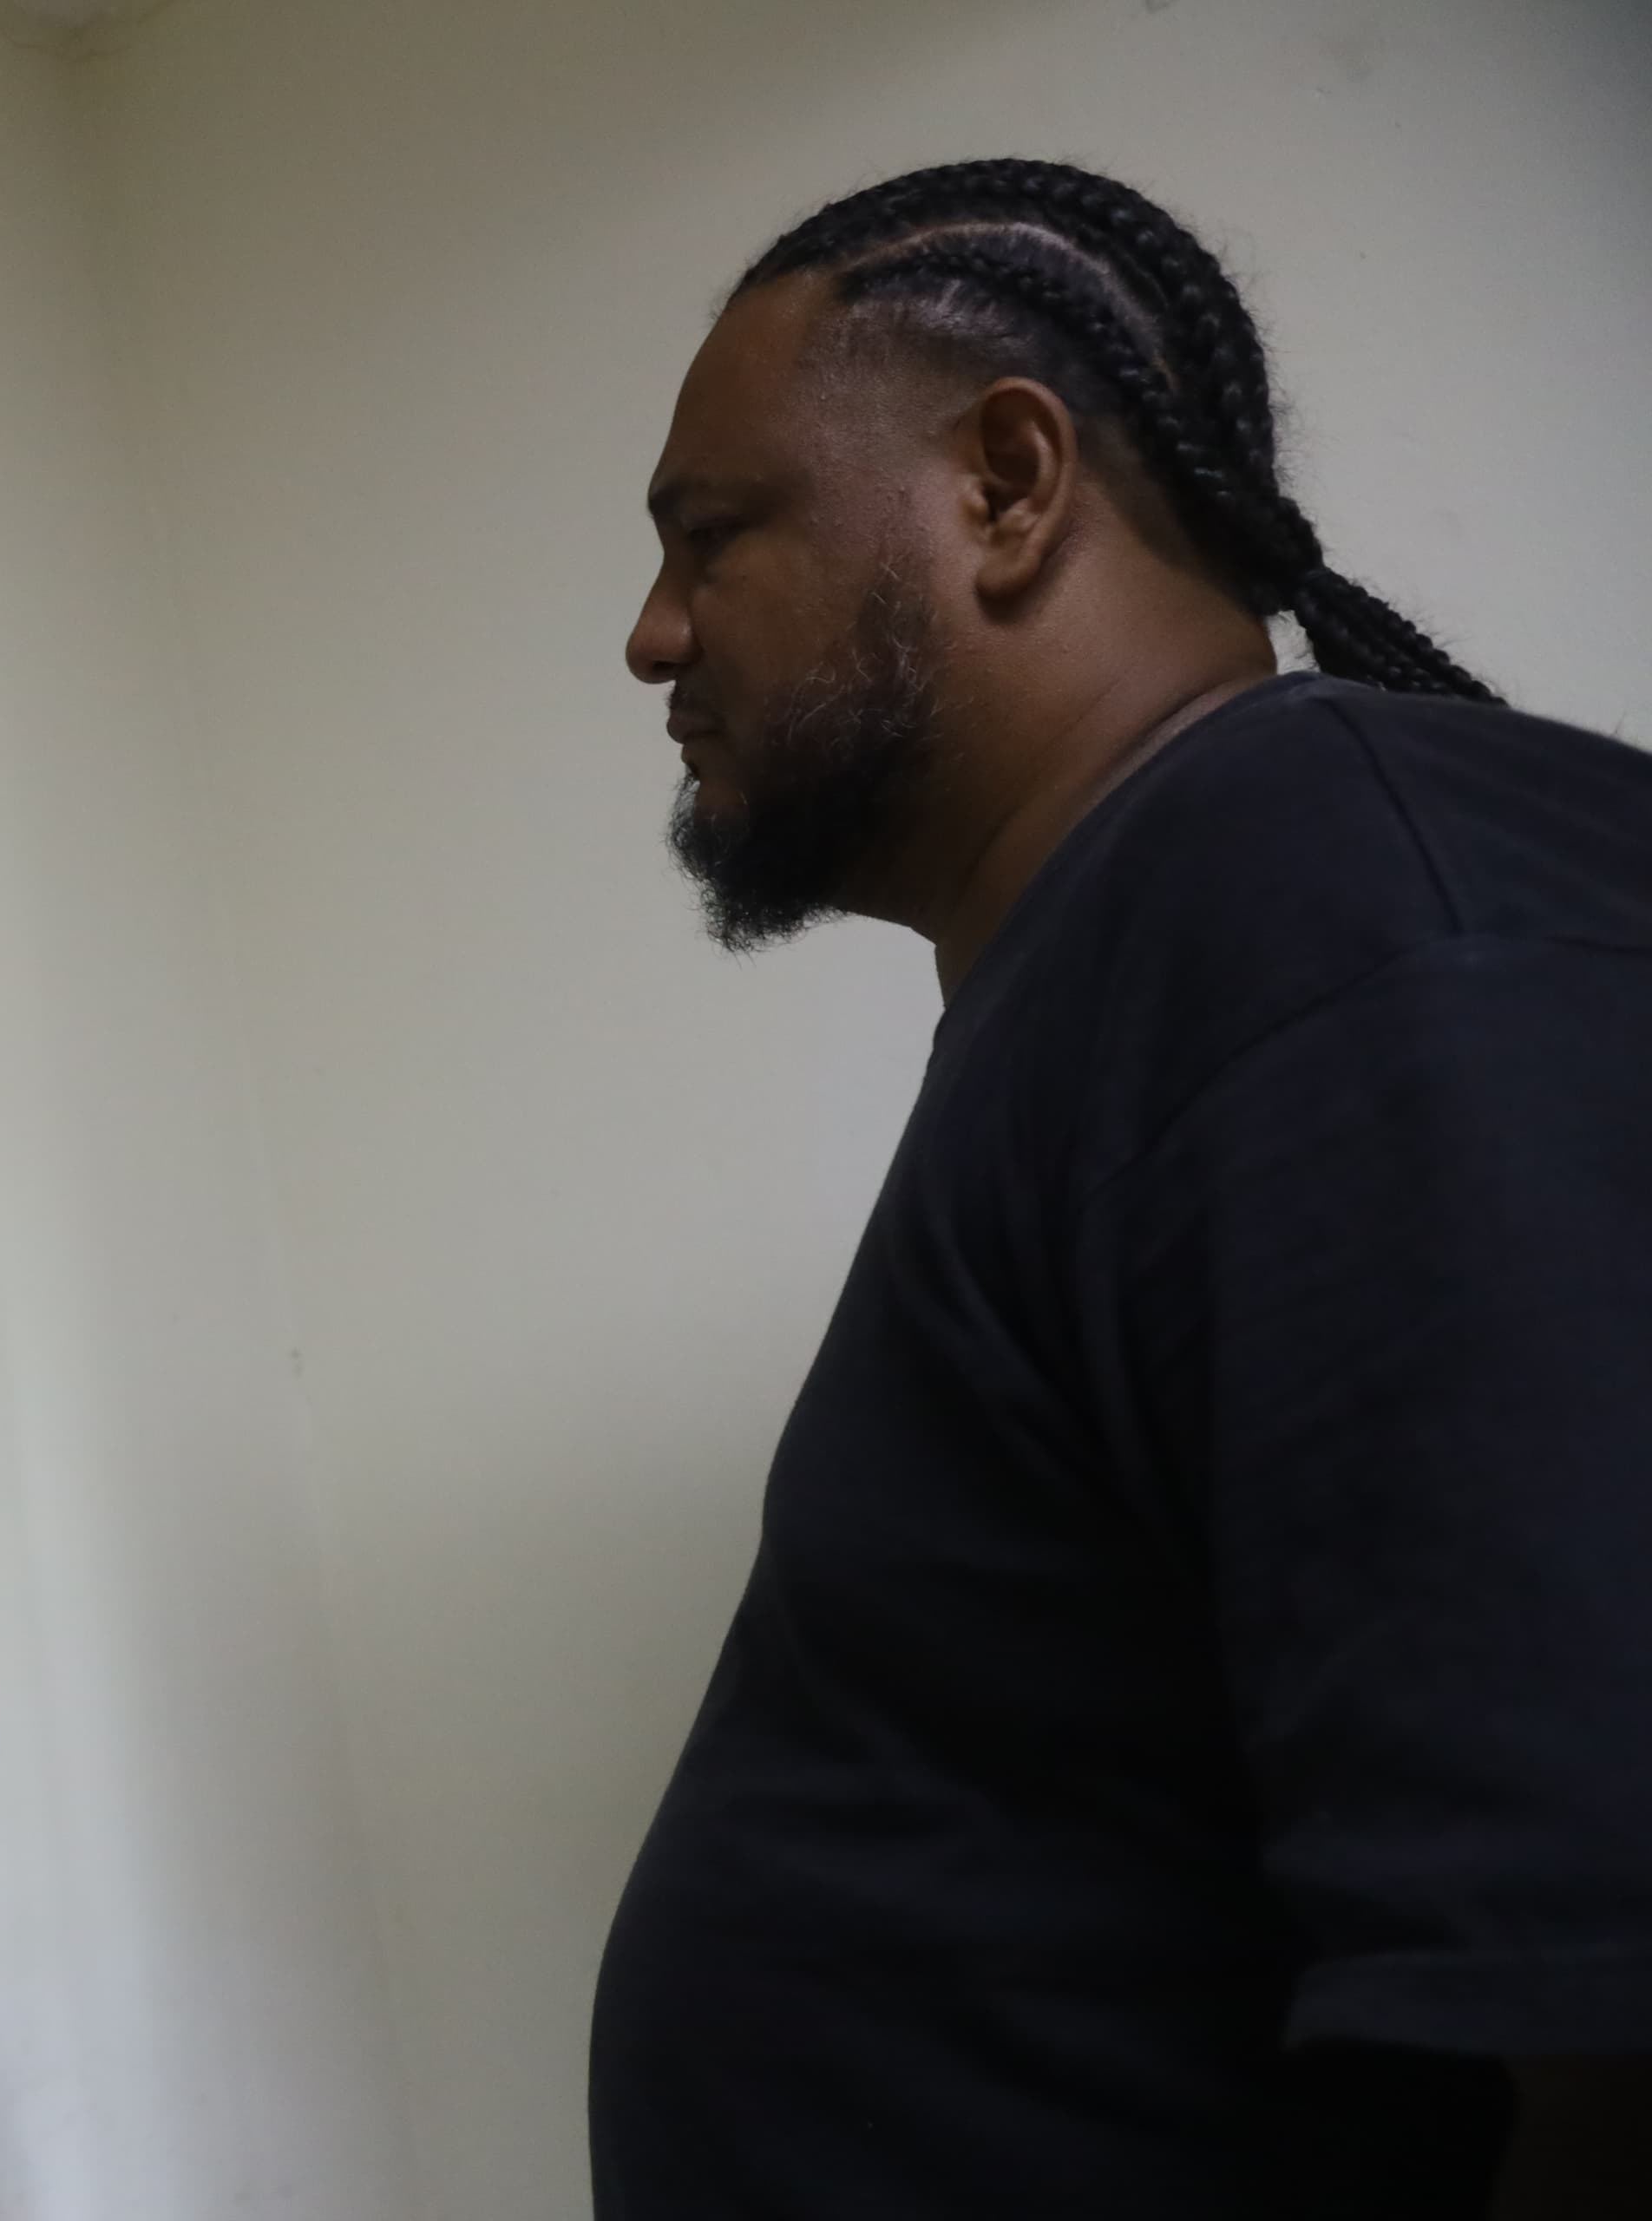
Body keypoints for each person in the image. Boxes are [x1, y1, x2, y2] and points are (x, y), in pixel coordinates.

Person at [593, 160, 1652, 2219]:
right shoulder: (1183, 926)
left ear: (1004, 483)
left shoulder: (1323, 902)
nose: (649, 632)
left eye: (709, 535)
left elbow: (1601, 1989)